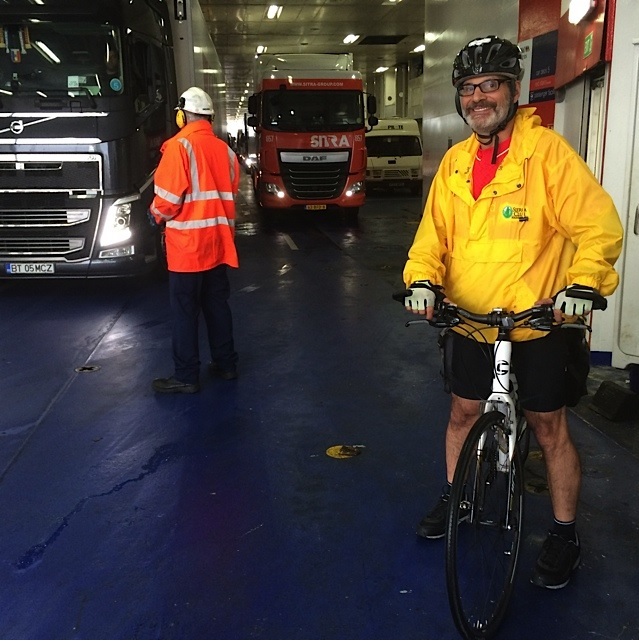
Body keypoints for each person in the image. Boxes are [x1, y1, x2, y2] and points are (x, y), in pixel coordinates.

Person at [402, 36, 623, 589]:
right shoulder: (454, 164)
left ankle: (565, 531)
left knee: (549, 427)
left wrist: (583, 284)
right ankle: (458, 498)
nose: (479, 97)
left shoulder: (548, 156)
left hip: (537, 321)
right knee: (462, 414)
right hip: (471, 321)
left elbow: (598, 227)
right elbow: (431, 240)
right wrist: (423, 280)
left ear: (513, 90)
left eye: (490, 85)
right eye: (470, 88)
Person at [150, 86, 241, 394]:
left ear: (181, 116)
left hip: (188, 248)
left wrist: (154, 214)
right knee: (217, 305)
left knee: (185, 311)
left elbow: (168, 200)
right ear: (210, 118)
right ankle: (226, 364)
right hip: (218, 244)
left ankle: (187, 376)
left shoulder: (179, 147)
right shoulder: (227, 152)